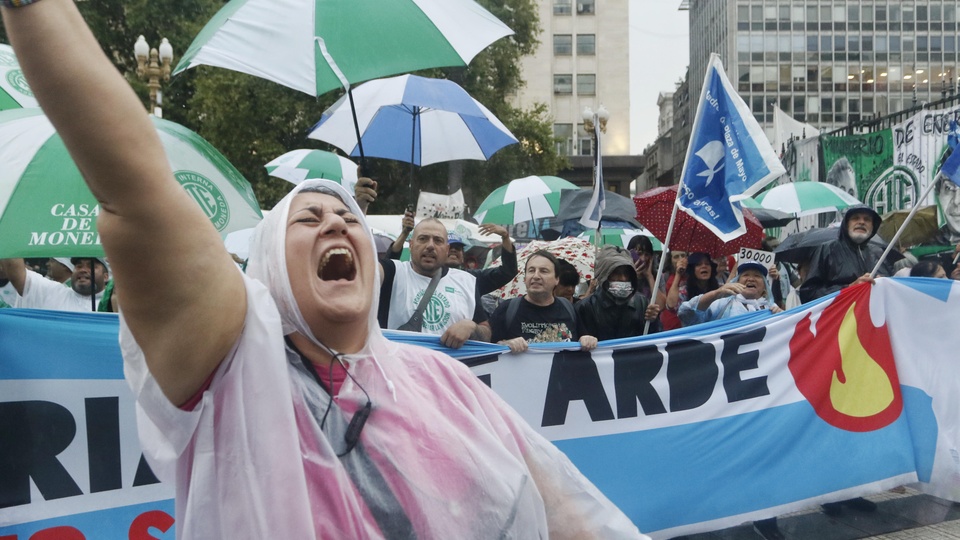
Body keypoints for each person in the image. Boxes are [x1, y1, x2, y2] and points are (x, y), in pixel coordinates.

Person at [0, 2, 648, 538]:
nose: (336, 224)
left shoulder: (437, 380)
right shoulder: (231, 369)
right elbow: (136, 194)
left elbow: (563, 512)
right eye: (306, 221)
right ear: (265, 269)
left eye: (346, 220)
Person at [378, 217, 491, 347]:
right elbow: (361, 272)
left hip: (452, 366)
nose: (430, 245)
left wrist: (472, 327)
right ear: (411, 245)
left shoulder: (466, 282)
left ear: (447, 249)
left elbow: (486, 334)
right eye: (423, 239)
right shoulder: (392, 272)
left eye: (438, 240)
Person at [489, 250, 598, 353]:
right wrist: (503, 345)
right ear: (525, 278)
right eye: (531, 270)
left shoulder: (569, 309)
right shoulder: (507, 309)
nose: (536, 276)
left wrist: (587, 340)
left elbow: (583, 339)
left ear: (557, 279)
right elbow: (485, 349)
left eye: (543, 271)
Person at [798, 204, 894, 303]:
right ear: (846, 224)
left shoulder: (879, 253)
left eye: (867, 219)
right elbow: (808, 293)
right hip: (842, 316)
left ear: (873, 226)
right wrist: (848, 288)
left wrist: (885, 283)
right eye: (855, 218)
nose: (861, 222)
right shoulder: (828, 250)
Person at [576, 246, 661, 340]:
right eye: (616, 273)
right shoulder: (586, 307)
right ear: (604, 276)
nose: (623, 278)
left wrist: (653, 320)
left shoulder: (642, 303)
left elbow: (654, 340)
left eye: (627, 273)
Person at [677, 261, 782, 327]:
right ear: (737, 281)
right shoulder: (724, 303)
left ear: (765, 286)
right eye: (746, 275)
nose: (751, 279)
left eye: (757, 276)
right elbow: (686, 313)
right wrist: (717, 293)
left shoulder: (772, 308)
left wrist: (782, 318)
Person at [0, 256, 108, 312]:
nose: (83, 270)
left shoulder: (114, 305)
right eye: (78, 266)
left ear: (105, 276)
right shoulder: (54, 293)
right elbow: (13, 268)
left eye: (91, 266)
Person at [659, 250, 688, 330]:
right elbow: (671, 305)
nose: (680, 259)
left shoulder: (692, 276)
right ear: (670, 260)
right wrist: (678, 274)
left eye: (683, 255)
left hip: (688, 325)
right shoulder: (665, 277)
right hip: (671, 326)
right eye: (676, 257)